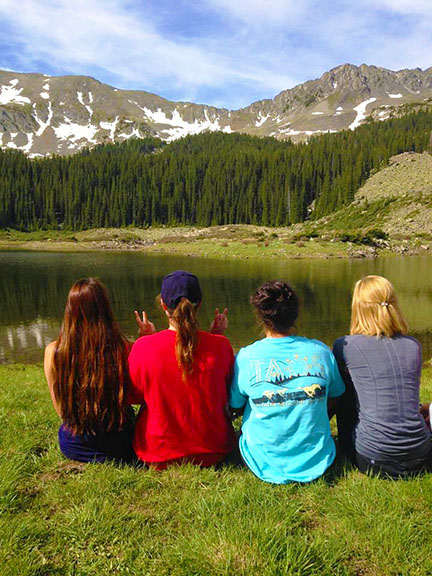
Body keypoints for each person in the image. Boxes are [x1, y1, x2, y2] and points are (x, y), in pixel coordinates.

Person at [229, 280, 345, 484]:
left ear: (260, 316)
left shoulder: (246, 357)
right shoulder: (321, 352)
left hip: (261, 460)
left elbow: (235, 405)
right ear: (295, 314)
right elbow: (336, 396)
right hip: (317, 459)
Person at [127, 270, 235, 468]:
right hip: (214, 451)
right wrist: (216, 335)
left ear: (163, 305)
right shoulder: (222, 345)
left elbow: (134, 396)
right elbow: (225, 390)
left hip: (157, 454)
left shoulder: (142, 347)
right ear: (199, 304)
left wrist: (145, 340)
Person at [333, 275, 432, 478]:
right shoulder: (413, 345)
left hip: (374, 459)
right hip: (422, 454)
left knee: (343, 391)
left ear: (358, 307)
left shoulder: (346, 346)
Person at [44, 278, 135, 463]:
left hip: (75, 444)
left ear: (70, 310)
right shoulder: (124, 347)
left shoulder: (53, 351)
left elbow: (61, 410)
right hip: (120, 443)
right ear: (105, 309)